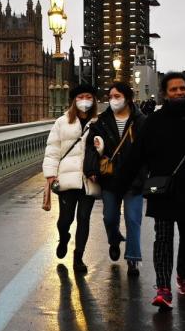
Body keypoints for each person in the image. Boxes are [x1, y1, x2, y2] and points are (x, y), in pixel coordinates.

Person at [123, 72, 185, 311]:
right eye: (173, 89)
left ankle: (183, 276)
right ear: (165, 93)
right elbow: (137, 154)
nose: (179, 92)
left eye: (182, 88)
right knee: (163, 238)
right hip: (162, 188)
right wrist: (123, 181)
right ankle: (163, 287)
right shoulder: (153, 121)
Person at [42, 84, 100, 273]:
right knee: (65, 219)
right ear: (74, 100)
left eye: (88, 97)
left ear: (93, 100)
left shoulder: (99, 122)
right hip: (67, 178)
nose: (85, 100)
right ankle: (64, 236)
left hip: (89, 178)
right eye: (81, 96)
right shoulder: (62, 122)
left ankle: (79, 257)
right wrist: (50, 174)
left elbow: (107, 149)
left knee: (84, 218)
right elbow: (52, 148)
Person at [92, 81, 146, 277]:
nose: (113, 100)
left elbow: (148, 151)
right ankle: (114, 240)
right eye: (111, 97)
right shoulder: (102, 122)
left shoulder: (141, 121)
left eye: (117, 96)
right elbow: (92, 147)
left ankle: (133, 258)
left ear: (128, 98)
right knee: (110, 218)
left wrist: (144, 174)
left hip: (134, 180)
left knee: (133, 219)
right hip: (111, 179)